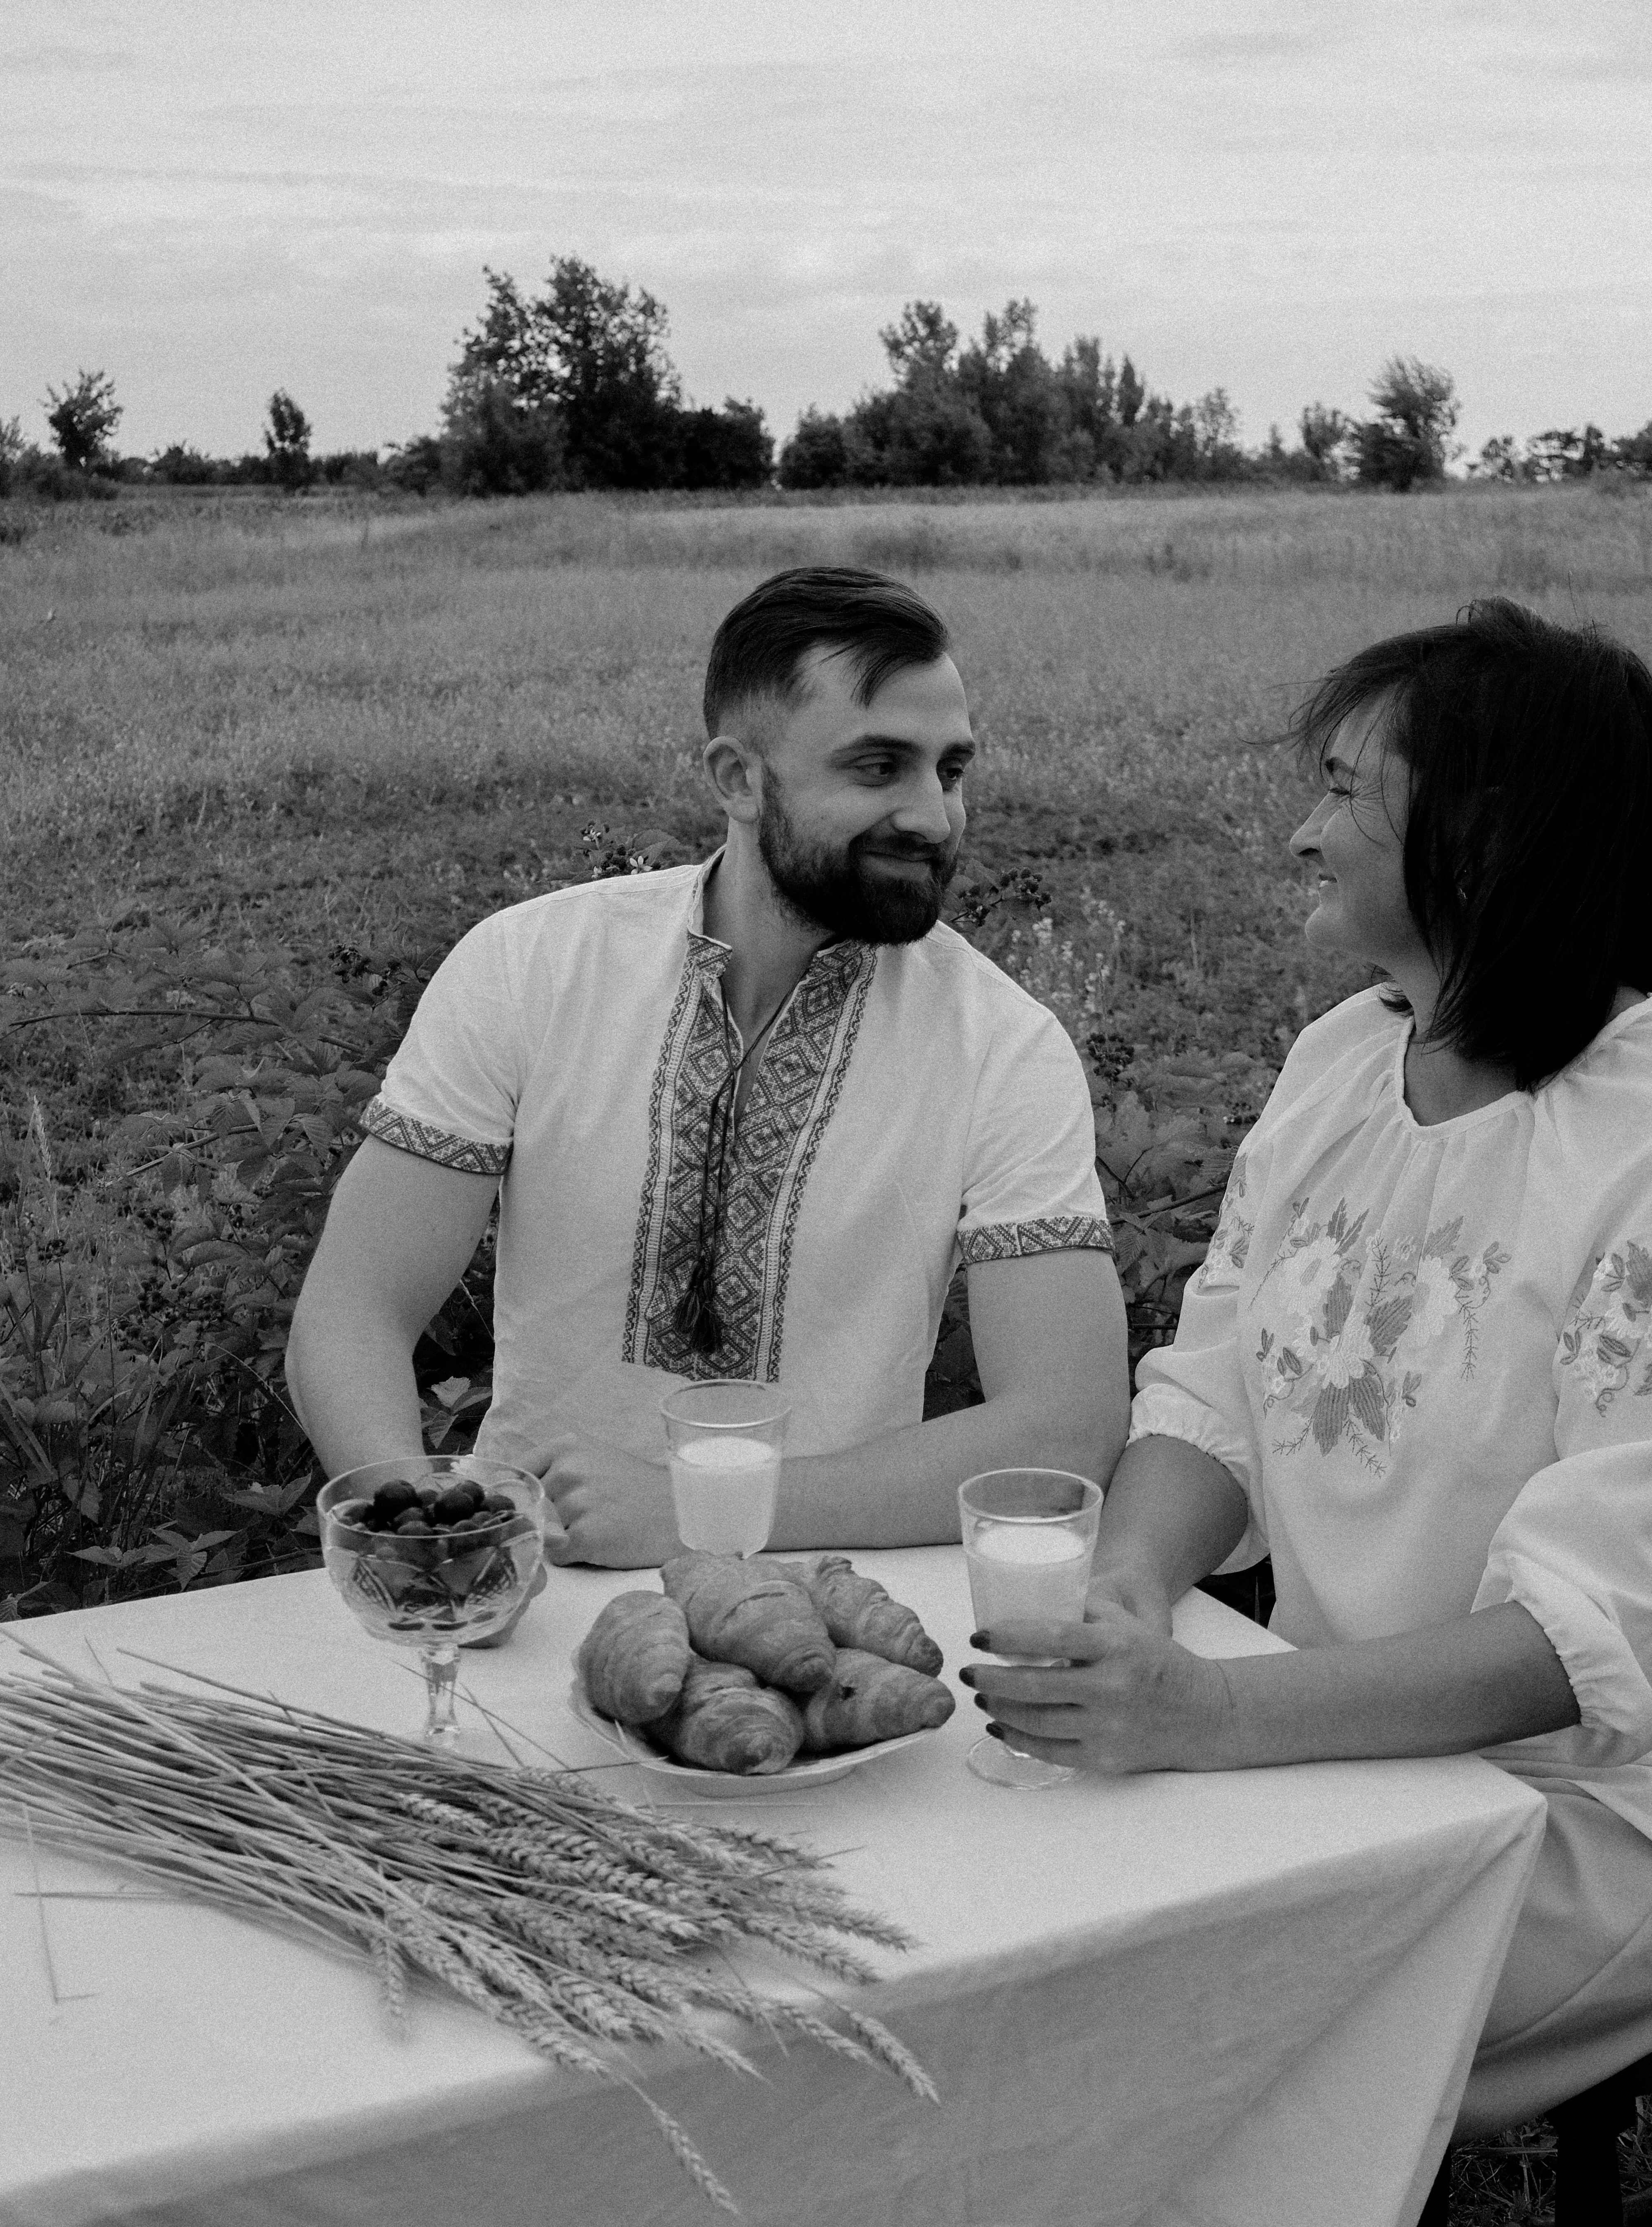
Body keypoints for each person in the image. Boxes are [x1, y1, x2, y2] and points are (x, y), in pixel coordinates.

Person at [965, 598, 1652, 2132]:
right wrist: (1133, 1590)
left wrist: (1209, 1721)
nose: (1299, 833)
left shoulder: (1641, 1134)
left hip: (1574, 1804)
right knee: (997, 1920)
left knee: (1135, 2033)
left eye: (1346, 790)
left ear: (1485, 835)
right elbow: (1209, 1378)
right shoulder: (1345, 1057)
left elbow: (1596, 1628)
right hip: (1322, 1738)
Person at [287, 565, 1128, 1569]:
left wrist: (703, 1509)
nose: (933, 819)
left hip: (828, 1618)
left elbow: (1063, 1428)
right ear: (736, 778)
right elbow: (355, 1310)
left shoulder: (1002, 1045)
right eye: (876, 768)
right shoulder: (534, 966)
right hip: (526, 1587)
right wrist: (430, 1526)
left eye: (950, 770)